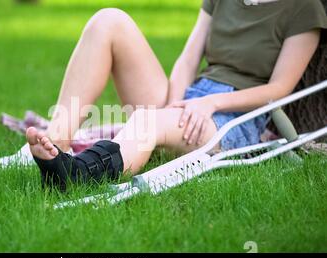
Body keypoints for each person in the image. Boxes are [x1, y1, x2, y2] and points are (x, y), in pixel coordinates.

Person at [26, 0, 327, 190]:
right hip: (190, 96)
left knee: (147, 122)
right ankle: (55, 144)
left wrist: (209, 103)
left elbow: (279, 90)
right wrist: (172, 106)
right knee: (109, 20)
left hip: (234, 116)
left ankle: (76, 175)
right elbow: (187, 59)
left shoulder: (306, 7)